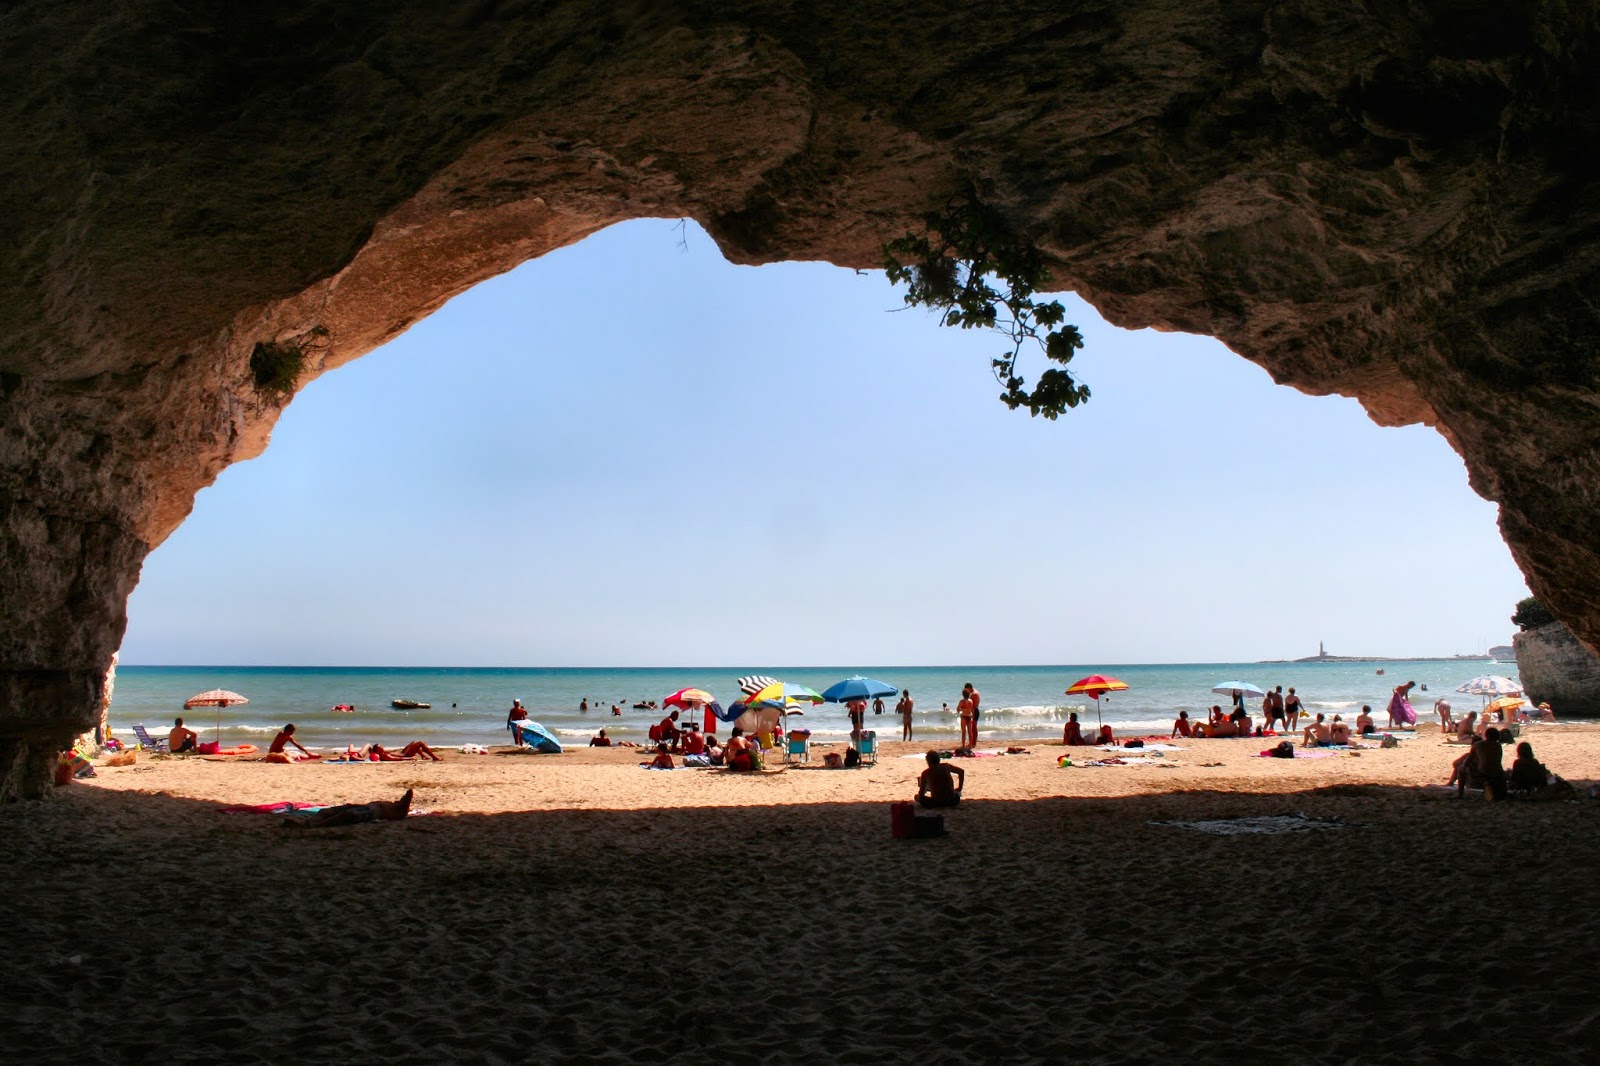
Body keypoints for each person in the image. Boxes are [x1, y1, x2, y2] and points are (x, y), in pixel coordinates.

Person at [285, 789, 413, 829]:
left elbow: (407, 799)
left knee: (348, 814)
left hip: (371, 812)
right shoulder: (394, 807)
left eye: (402, 799)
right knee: (324, 811)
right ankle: (308, 823)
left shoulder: (398, 812)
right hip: (364, 807)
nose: (400, 799)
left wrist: (406, 798)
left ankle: (315, 825)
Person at [368, 741, 441, 762]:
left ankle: (423, 756)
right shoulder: (384, 755)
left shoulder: (382, 754)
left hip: (402, 753)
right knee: (420, 743)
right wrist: (410, 758)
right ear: (378, 751)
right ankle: (434, 757)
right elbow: (396, 759)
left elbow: (371, 750)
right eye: (381, 747)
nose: (382, 747)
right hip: (405, 755)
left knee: (413, 743)